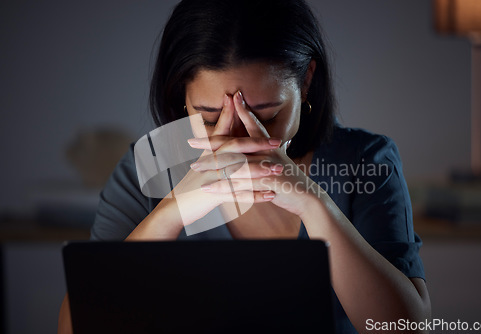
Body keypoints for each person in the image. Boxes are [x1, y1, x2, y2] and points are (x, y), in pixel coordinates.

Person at [58, 0, 431, 333]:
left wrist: (313, 202)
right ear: (180, 99)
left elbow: (405, 328)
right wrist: (172, 213)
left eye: (266, 115)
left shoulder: (364, 160)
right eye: (208, 118)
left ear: (306, 80)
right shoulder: (150, 164)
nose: (237, 137)